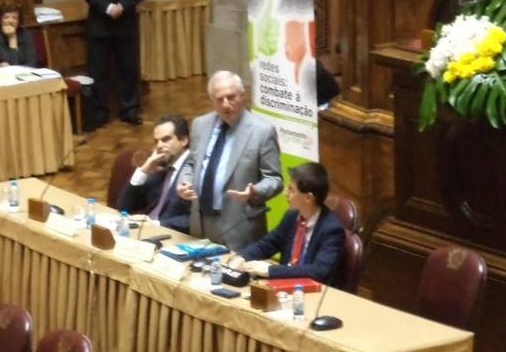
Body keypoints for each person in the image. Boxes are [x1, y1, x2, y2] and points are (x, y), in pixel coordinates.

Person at [177, 70, 283, 250]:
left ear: (242, 95)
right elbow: (191, 163)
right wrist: (184, 182)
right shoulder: (199, 125)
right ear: (212, 100)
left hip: (240, 226)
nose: (226, 104)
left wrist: (254, 192)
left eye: (231, 97)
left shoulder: (262, 132)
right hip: (201, 221)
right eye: (219, 99)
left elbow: (275, 180)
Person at [228, 162, 345, 284]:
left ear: (308, 198)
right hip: (283, 287)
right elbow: (267, 244)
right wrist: (242, 257)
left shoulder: (332, 229)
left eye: (291, 189)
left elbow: (319, 271)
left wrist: (270, 270)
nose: (285, 193)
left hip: (312, 292)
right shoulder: (291, 216)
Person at [78, 0, 145, 126]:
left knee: (128, 68)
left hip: (125, 23)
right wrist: (107, 8)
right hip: (100, 24)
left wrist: (122, 6)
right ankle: (100, 113)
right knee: (98, 70)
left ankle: (130, 109)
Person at [117, 114, 192, 233]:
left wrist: (156, 224)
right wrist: (143, 171)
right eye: (157, 141)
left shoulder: (195, 169)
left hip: (171, 237)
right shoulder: (158, 166)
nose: (159, 146)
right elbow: (124, 208)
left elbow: (197, 219)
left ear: (183, 140)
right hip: (143, 232)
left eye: (166, 139)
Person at [0, 2, 36, 67]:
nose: (10, 21)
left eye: (14, 18)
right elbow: (12, 65)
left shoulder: (25, 34)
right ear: (0, 20)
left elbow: (32, 63)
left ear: (19, 22)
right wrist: (12, 38)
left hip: (24, 74)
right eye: (6, 17)